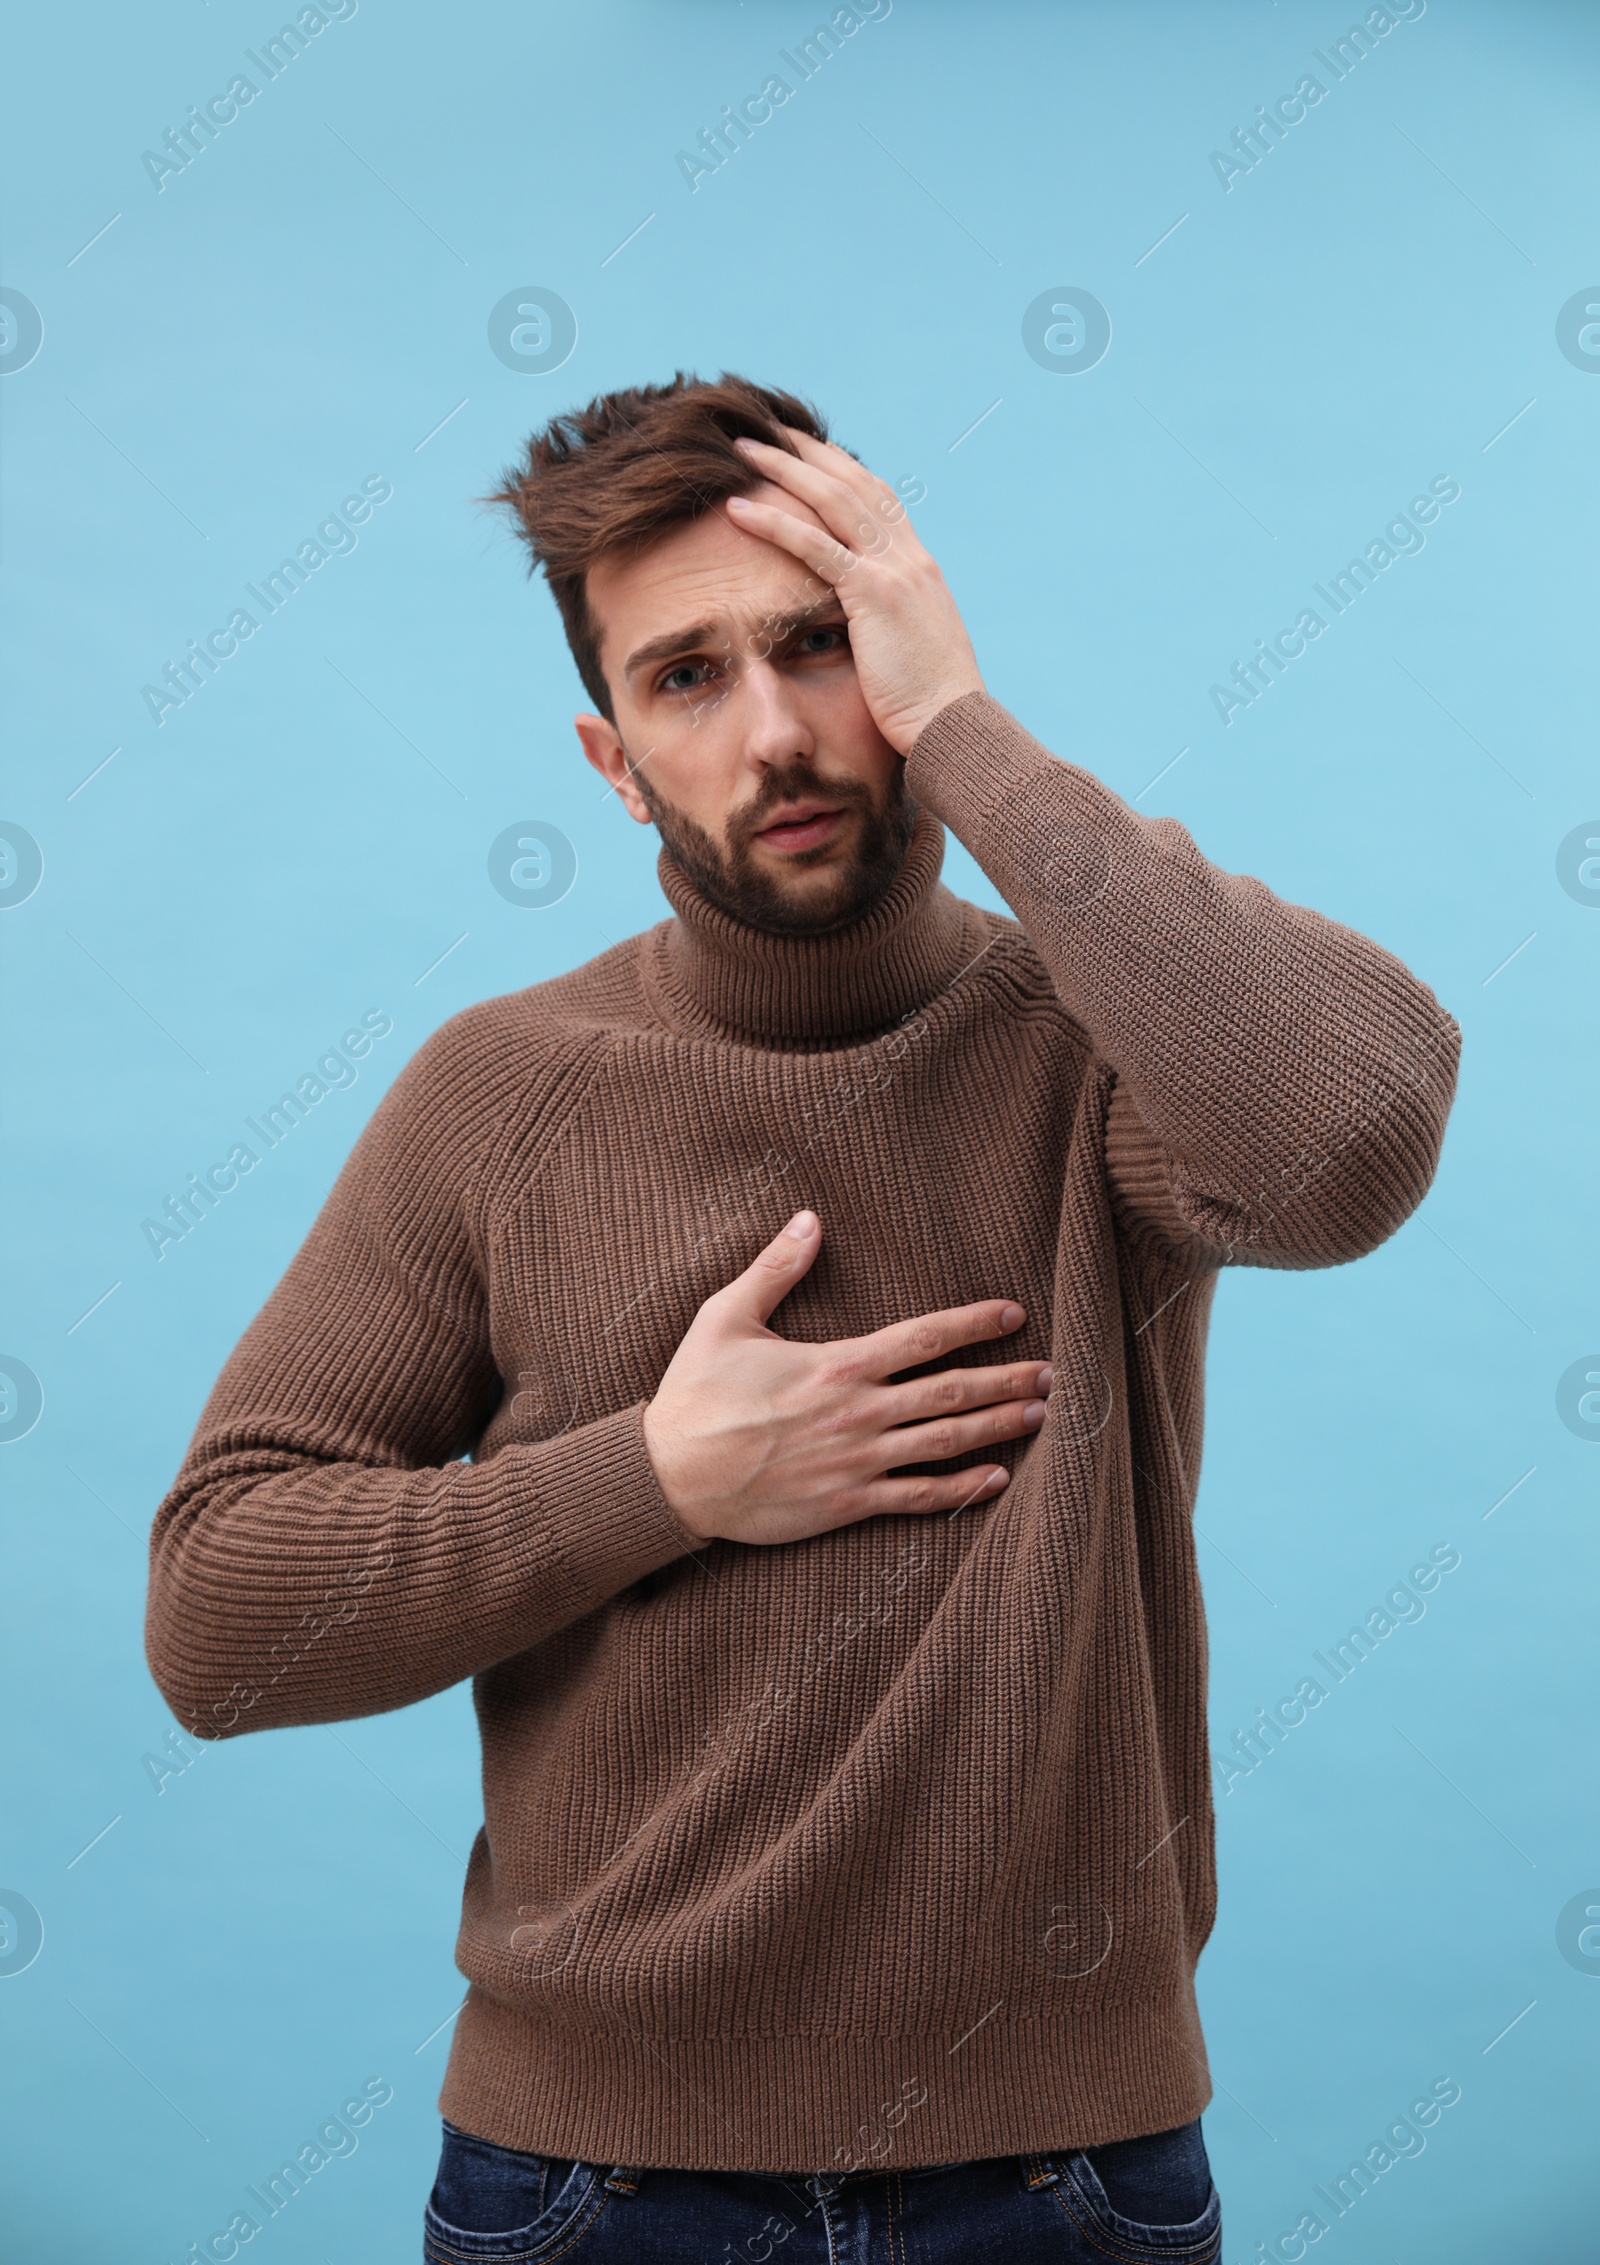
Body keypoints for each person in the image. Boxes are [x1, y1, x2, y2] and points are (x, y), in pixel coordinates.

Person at [145, 373, 1460, 2263]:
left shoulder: (1097, 1037)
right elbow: (219, 1618)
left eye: (823, 645)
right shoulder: (501, 1092)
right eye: (687, 678)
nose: (776, 731)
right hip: (587, 2188)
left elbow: (1348, 1141)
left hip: (1059, 2174)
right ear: (613, 762)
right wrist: (662, 1476)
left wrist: (972, 738)